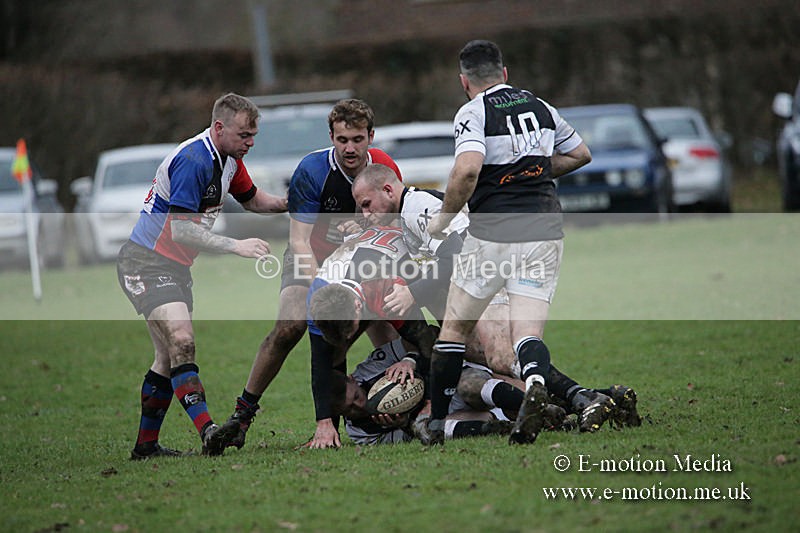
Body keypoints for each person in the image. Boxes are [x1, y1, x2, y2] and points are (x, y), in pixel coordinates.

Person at [351, 163, 630, 433]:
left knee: (502, 357)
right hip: (476, 287)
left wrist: (413, 292)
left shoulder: (416, 207)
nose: (365, 213)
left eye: (367, 204)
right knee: (501, 367)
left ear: (388, 190)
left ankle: (584, 397)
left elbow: (455, 254)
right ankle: (607, 397)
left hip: (484, 278)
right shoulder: (406, 215)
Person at [425, 40, 595, 446]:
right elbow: (580, 154)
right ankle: (535, 383)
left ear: (464, 81)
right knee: (526, 334)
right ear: (504, 73)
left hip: (493, 233)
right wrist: (530, 172)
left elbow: (467, 171)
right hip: (545, 229)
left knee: (453, 329)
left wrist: (443, 219)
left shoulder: (473, 111)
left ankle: (435, 424)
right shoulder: (540, 107)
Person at [220, 99, 403, 450]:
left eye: (357, 139)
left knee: (394, 333)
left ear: (371, 137)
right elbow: (299, 241)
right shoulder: (312, 171)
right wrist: (325, 290)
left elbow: (392, 227)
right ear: (331, 137)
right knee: (291, 325)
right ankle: (243, 415)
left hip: (360, 261)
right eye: (342, 140)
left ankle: (412, 409)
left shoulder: (385, 168)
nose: (350, 148)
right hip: (310, 256)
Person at [117, 92, 288, 459]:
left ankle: (145, 447)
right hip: (145, 262)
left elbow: (253, 199)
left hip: (174, 268)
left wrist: (292, 202)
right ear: (219, 127)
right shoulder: (195, 161)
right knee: (182, 340)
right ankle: (209, 432)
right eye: (244, 135)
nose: (250, 143)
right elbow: (181, 230)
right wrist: (235, 246)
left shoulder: (230, 159)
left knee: (168, 357)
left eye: (253, 135)